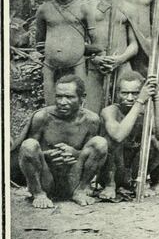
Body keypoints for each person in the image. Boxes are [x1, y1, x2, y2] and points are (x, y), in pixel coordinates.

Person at [14, 75, 107, 208]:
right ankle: (39, 194)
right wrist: (47, 156)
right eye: (59, 96)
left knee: (100, 142)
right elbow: (28, 153)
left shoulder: (91, 120)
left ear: (82, 97)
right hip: (46, 178)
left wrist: (75, 153)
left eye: (69, 97)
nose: (63, 102)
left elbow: (91, 154)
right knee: (28, 144)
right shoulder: (42, 117)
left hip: (73, 178)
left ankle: (80, 191)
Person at [35, 0, 99, 106]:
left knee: (78, 108)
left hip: (77, 67)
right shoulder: (44, 9)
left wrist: (75, 51)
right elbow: (39, 43)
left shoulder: (83, 8)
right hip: (50, 69)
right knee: (51, 109)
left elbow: (97, 44)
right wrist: (52, 55)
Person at [99, 72, 159, 199]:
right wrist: (140, 100)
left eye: (135, 93)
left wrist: (157, 98)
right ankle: (110, 185)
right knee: (110, 140)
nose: (130, 98)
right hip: (113, 170)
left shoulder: (145, 112)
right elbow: (118, 136)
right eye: (124, 93)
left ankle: (137, 182)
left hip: (134, 169)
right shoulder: (110, 111)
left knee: (157, 142)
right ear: (117, 93)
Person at [85, 0, 138, 114]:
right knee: (92, 112)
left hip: (121, 65)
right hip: (96, 66)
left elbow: (134, 44)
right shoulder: (87, 6)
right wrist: (95, 58)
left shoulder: (129, 7)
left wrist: (120, 59)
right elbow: (81, 42)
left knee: (121, 111)